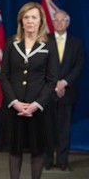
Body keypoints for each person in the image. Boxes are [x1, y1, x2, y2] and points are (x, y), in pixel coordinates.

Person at [0, 2, 59, 179]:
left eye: (34, 17)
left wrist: (36, 105)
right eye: (26, 17)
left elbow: (52, 79)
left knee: (38, 152)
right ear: (21, 21)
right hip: (14, 107)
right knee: (15, 151)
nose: (30, 21)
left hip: (38, 109)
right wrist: (14, 103)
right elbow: (4, 76)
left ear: (41, 21)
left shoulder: (49, 45)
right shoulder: (12, 43)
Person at [44, 10, 84, 171]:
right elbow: (42, 66)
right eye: (56, 20)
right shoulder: (45, 41)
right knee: (48, 129)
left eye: (63, 20)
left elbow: (79, 65)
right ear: (52, 22)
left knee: (64, 130)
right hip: (48, 92)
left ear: (68, 23)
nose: (59, 23)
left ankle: (62, 161)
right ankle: (47, 160)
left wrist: (64, 83)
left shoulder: (76, 43)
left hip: (68, 93)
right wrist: (55, 85)